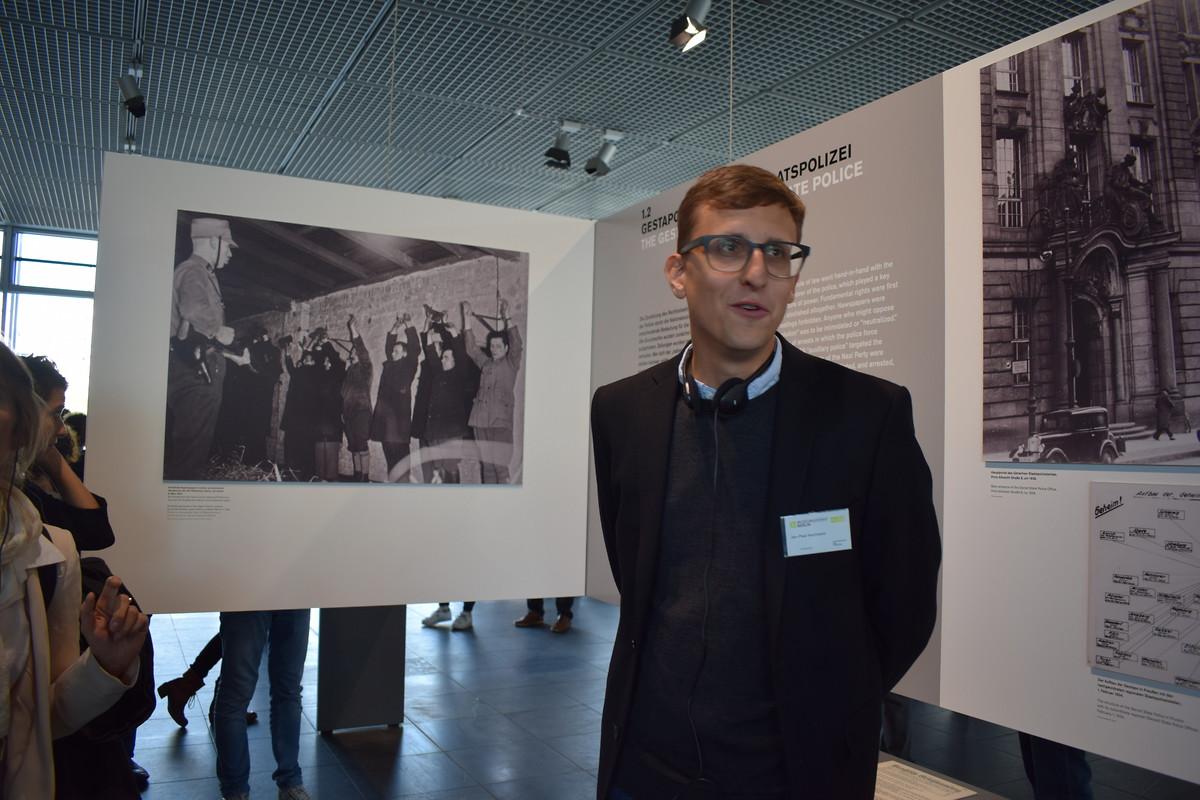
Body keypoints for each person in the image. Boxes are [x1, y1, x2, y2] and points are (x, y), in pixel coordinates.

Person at [590, 164, 941, 799]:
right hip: (643, 767)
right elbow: (633, 571)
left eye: (778, 254)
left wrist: (834, 704)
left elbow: (905, 602)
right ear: (678, 272)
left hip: (797, 774)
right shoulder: (622, 411)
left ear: (793, 279)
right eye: (729, 247)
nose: (757, 273)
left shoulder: (867, 415)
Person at [0, 341, 149, 797]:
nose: (60, 426)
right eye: (55, 414)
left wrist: (104, 666)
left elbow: (43, 715)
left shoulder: (45, 549)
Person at [164, 216, 241, 479]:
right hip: (196, 373)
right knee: (190, 455)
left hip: (195, 367)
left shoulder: (199, 272)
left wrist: (229, 354)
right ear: (212, 241)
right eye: (227, 246)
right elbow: (193, 309)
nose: (230, 253)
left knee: (190, 448)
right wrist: (218, 330)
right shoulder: (194, 271)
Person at [213, 609, 312, 800]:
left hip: (296, 596)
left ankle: (290, 782)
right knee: (236, 694)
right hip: (246, 598)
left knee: (288, 692)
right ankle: (235, 790)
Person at [463, 298, 523, 483]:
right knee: (487, 467)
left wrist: (507, 317)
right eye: (492, 346)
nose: (494, 349)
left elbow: (517, 344)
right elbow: (472, 349)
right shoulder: (486, 363)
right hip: (480, 422)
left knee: (500, 467)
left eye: (498, 346)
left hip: (500, 423)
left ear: (506, 348)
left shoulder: (511, 363)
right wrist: (467, 319)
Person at [370, 313, 420, 482]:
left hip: (399, 425)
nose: (392, 353)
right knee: (391, 462)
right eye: (393, 351)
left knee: (402, 463)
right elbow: (388, 346)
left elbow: (415, 348)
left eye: (396, 351)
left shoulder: (409, 365)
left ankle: (404, 489)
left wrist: (409, 325)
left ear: (405, 354)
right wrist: (394, 328)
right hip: (385, 424)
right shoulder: (389, 366)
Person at [342, 315, 374, 481]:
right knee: (354, 447)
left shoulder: (366, 367)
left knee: (361, 446)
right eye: (352, 350)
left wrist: (353, 330)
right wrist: (345, 370)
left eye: (354, 350)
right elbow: (343, 394)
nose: (353, 351)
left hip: (361, 412)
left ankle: (365, 478)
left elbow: (362, 349)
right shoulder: (349, 372)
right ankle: (357, 475)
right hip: (348, 414)